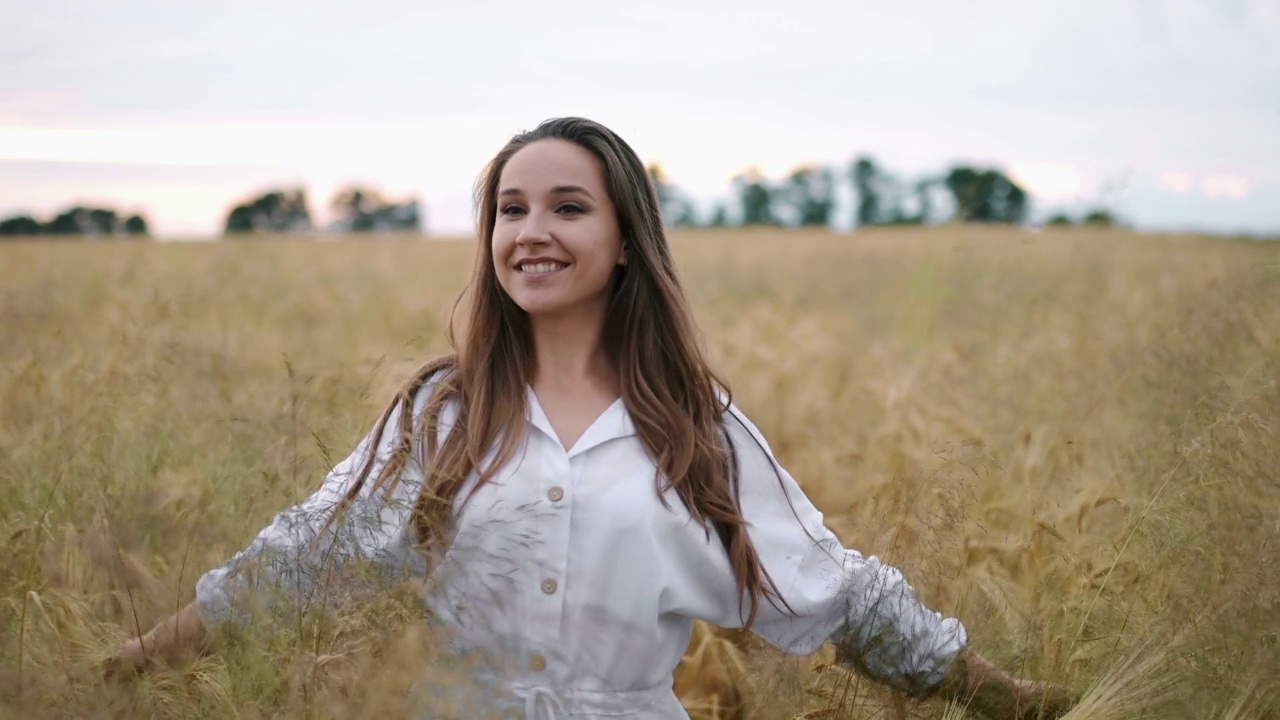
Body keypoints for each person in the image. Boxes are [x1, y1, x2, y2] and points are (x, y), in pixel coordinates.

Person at [106, 117, 1078, 720]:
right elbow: (294, 564)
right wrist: (124, 668)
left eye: (566, 207)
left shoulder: (693, 425)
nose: (529, 232)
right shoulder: (443, 412)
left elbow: (833, 592)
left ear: (622, 242)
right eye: (509, 210)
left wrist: (1012, 702)